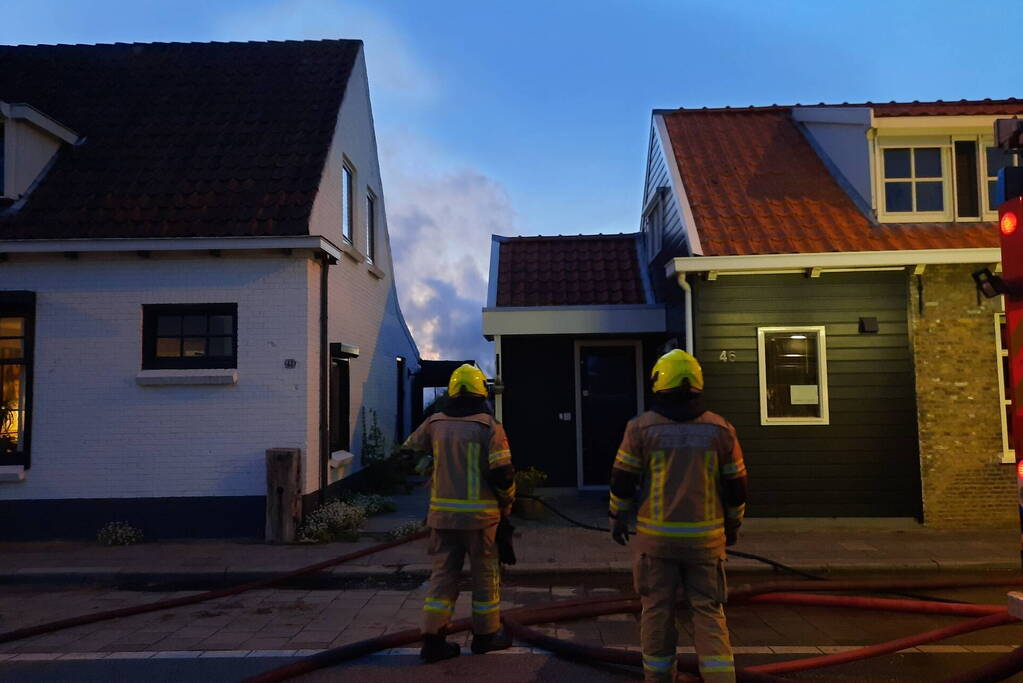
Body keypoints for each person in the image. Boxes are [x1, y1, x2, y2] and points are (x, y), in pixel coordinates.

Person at [608, 349, 747, 683]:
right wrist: (733, 525)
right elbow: (737, 487)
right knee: (709, 612)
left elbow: (622, 483)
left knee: (656, 610)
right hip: (705, 543)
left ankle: (658, 678)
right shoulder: (721, 430)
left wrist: (617, 519)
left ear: (659, 383)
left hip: (656, 544)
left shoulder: (640, 429)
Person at [401, 364, 516, 663]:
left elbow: (408, 453)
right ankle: (485, 637)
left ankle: (433, 640)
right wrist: (508, 502)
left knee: (442, 577)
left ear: (452, 391)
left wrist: (427, 467)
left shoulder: (434, 423)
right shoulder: (489, 427)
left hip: (442, 518)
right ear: (482, 392)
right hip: (481, 521)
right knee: (485, 577)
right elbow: (503, 474)